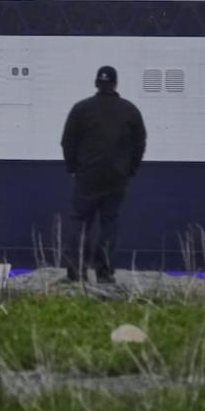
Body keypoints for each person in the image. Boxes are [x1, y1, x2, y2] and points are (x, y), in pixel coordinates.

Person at [60, 66, 147, 284]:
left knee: (81, 223)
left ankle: (77, 271)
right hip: (116, 178)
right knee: (109, 225)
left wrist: (73, 169)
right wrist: (130, 170)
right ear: (116, 84)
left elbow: (68, 142)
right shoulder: (130, 111)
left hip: (87, 177)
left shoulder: (81, 109)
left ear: (97, 83)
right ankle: (104, 271)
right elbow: (139, 144)